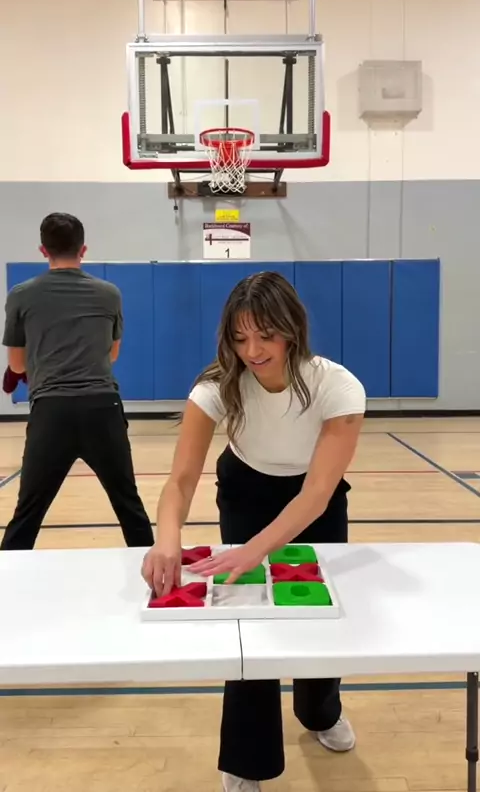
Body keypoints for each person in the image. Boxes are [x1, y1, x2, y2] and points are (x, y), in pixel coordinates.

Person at [141, 270, 366, 792]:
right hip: (245, 492)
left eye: (266, 335)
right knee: (248, 627)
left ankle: (321, 711)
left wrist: (254, 551)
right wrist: (167, 537)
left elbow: (316, 495)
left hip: (313, 501)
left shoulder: (338, 387)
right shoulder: (217, 385)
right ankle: (246, 759)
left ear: (292, 329)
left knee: (317, 617)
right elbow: (180, 479)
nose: (253, 351)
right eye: (240, 338)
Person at [0, 212, 154, 551]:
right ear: (83, 249)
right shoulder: (109, 293)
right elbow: (112, 354)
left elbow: (16, 363)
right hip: (103, 409)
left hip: (51, 412)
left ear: (43, 250)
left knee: (28, 513)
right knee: (129, 506)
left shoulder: (21, 295)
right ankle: (158, 576)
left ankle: (5, 579)